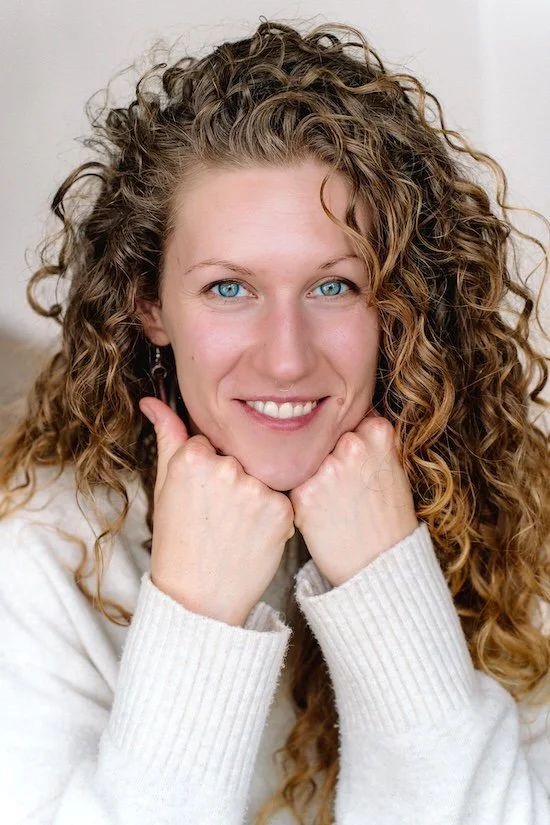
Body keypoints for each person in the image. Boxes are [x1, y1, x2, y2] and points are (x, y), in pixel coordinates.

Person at [1, 17, 549, 825]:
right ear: (150, 303)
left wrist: (387, 584)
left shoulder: (519, 513)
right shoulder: (39, 551)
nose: (286, 359)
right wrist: (193, 612)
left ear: (399, 299)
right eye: (230, 288)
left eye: (333, 286)